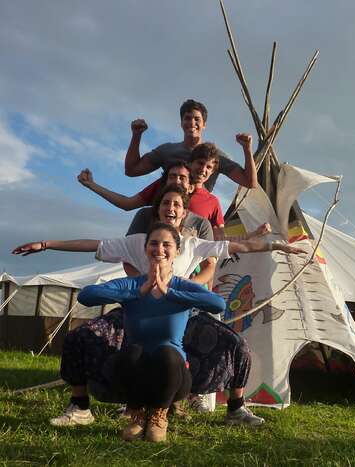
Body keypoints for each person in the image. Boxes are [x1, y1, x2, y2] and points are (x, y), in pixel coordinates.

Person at [13, 185, 306, 427]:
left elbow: (238, 247)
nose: (171, 207)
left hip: (182, 312)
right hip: (136, 308)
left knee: (237, 345)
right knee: (81, 336)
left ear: (185, 212)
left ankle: (235, 409)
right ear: (158, 210)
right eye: (166, 202)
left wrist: (277, 246)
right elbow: (93, 244)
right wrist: (47, 243)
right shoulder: (138, 241)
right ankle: (80, 406)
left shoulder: (192, 244)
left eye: (177, 204)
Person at [77, 222, 226, 442]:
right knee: (130, 352)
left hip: (174, 377)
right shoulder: (132, 285)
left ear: (177, 251)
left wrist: (170, 293)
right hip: (136, 374)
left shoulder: (182, 286)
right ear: (146, 249)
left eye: (167, 244)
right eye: (153, 243)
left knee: (167, 353)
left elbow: (218, 304)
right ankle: (137, 414)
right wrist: (138, 292)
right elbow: (86, 296)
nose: (160, 249)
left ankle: (159, 415)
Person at [78, 134, 255, 236]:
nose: (203, 170)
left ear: (214, 170)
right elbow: (127, 203)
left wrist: (254, 237)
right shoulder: (165, 186)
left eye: (209, 167)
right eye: (200, 164)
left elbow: (218, 241)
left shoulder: (212, 202)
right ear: (191, 163)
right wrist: (93, 185)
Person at [124, 99, 258, 191]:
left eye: (197, 119)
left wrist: (247, 149)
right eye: (187, 118)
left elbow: (250, 183)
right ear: (181, 122)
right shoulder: (167, 151)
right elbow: (131, 170)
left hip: (197, 221)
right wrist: (136, 135)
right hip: (169, 214)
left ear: (204, 125)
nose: (192, 122)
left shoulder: (216, 156)